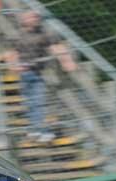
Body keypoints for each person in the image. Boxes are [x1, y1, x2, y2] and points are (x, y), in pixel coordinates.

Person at [6, 10, 77, 143]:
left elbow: (57, 47)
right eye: (31, 16)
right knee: (29, 103)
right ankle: (34, 129)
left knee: (39, 102)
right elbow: (12, 52)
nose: (35, 18)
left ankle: (44, 131)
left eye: (36, 16)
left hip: (38, 73)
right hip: (24, 73)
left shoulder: (44, 33)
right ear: (24, 20)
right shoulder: (18, 35)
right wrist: (13, 66)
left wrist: (67, 62)